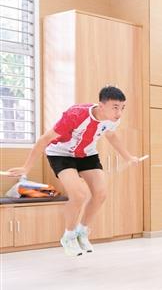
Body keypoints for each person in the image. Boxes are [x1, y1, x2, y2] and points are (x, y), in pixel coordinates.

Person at [7, 86, 140, 256]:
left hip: (86, 154)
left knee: (101, 193)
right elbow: (44, 139)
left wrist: (128, 157)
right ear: (101, 105)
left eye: (122, 108)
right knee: (79, 195)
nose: (119, 113)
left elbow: (111, 136)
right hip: (61, 153)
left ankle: (81, 231)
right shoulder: (76, 115)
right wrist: (26, 167)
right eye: (115, 107)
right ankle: (68, 236)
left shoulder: (112, 119)